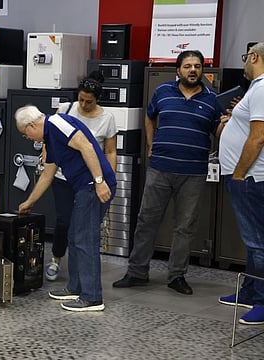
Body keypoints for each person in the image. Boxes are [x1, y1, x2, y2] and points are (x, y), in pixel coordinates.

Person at [113, 50, 221, 295]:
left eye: (197, 66)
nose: (192, 70)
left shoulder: (212, 99)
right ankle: (137, 272)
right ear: (178, 70)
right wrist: (150, 145)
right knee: (146, 221)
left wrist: (228, 120)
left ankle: (177, 276)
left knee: (185, 227)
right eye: (187, 66)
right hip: (160, 168)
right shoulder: (163, 92)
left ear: (202, 70)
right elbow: (149, 117)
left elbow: (218, 133)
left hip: (193, 172)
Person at [15, 105, 116, 311]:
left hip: (93, 186)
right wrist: (29, 202)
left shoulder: (57, 123)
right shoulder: (50, 139)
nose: (29, 138)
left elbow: (87, 146)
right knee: (74, 236)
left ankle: (92, 297)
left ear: (32, 125)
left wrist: (98, 181)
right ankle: (76, 287)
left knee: (85, 239)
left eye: (26, 134)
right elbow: (47, 175)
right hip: (84, 187)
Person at [45, 73, 118, 281]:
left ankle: (80, 275)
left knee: (84, 226)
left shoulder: (107, 119)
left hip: (89, 180)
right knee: (64, 220)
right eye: (81, 100)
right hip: (63, 176)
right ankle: (56, 259)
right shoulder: (65, 109)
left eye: (90, 101)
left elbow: (110, 152)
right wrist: (46, 161)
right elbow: (50, 138)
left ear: (97, 99)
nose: (84, 105)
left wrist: (107, 179)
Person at [218, 42, 264, 325]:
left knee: (258, 242)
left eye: (246, 58)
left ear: (255, 56)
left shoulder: (261, 88)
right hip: (247, 176)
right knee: (253, 240)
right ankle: (249, 291)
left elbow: (258, 137)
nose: (244, 63)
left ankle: (261, 300)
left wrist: (238, 172)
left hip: (249, 177)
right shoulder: (257, 89)